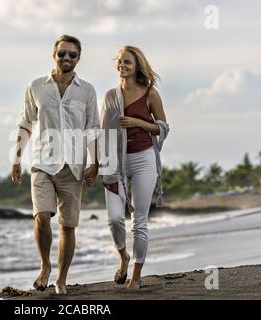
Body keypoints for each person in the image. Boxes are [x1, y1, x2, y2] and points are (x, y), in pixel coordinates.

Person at [11, 35, 100, 294]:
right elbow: (26, 123)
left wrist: (95, 164)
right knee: (41, 216)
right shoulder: (37, 86)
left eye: (72, 55)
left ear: (78, 59)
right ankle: (45, 266)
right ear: (54, 56)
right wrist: (16, 158)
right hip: (42, 163)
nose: (67, 58)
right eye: (62, 54)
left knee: (68, 226)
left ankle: (61, 278)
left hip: (73, 167)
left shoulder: (87, 90)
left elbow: (93, 128)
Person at [99, 46, 170, 290]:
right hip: (114, 163)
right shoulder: (109, 96)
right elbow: (102, 134)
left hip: (143, 158)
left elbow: (163, 128)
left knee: (139, 220)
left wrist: (137, 122)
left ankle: (136, 276)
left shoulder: (150, 94)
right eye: (119, 61)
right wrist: (94, 165)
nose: (122, 65)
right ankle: (123, 258)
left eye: (127, 62)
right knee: (114, 219)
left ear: (137, 65)